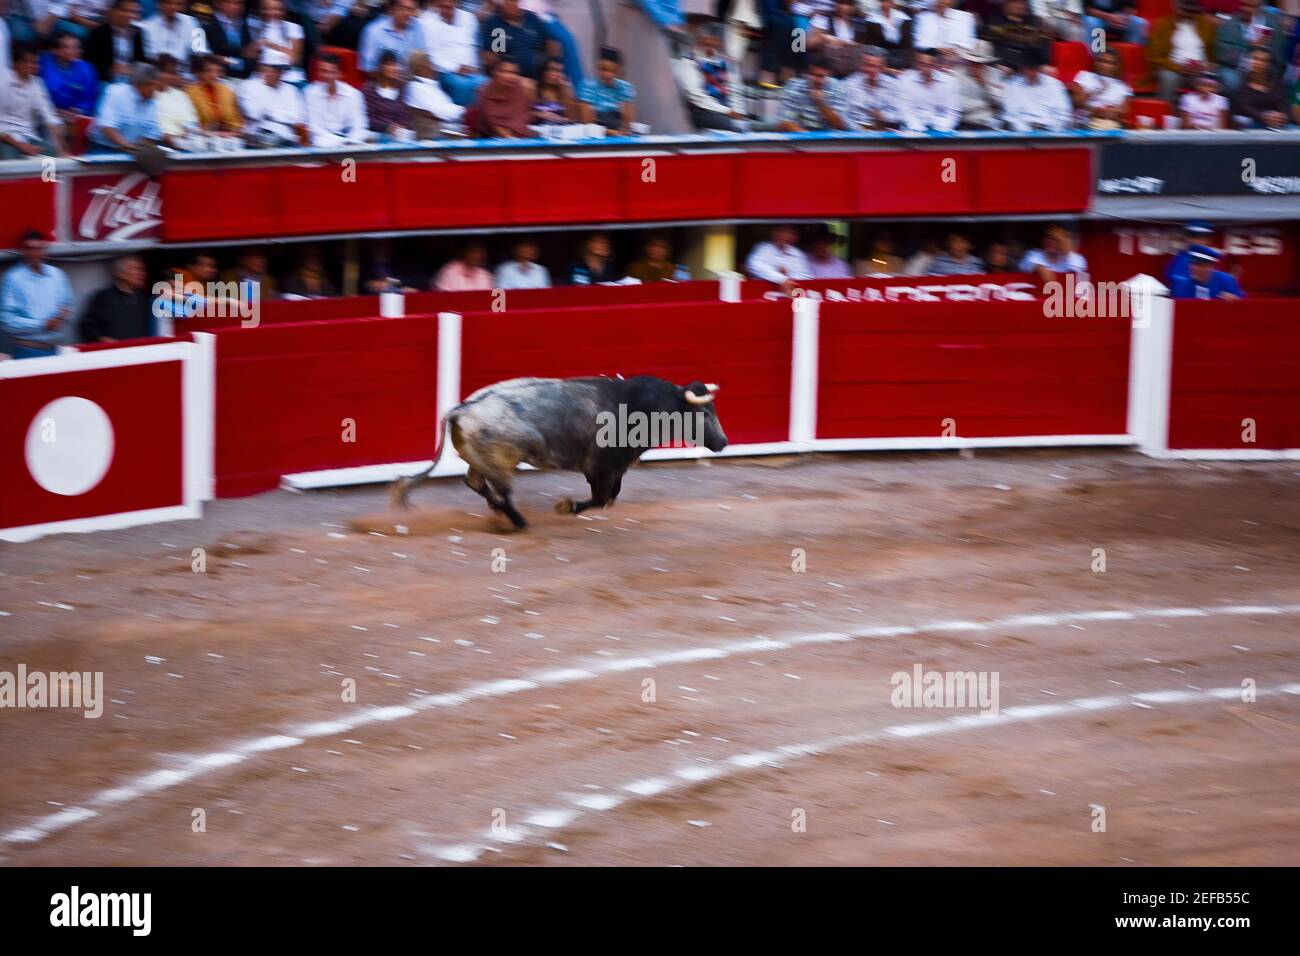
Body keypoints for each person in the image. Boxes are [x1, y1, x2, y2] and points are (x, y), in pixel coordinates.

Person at [0, 230, 74, 359]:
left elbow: (68, 303)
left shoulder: (57, 275)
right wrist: (42, 324)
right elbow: (7, 320)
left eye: (38, 248)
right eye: (29, 249)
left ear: (44, 250)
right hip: (27, 350)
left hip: (55, 349)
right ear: (22, 251)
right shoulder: (13, 278)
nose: (33, 253)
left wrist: (63, 316)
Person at [674, 22, 747, 132]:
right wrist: (727, 111)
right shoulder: (687, 61)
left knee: (747, 127)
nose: (710, 47)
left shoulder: (727, 63)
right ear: (699, 41)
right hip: (701, 111)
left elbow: (735, 90)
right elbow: (695, 95)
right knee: (734, 129)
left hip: (726, 111)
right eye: (706, 42)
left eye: (715, 43)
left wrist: (738, 112)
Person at [0, 45, 67, 157]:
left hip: (27, 136)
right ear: (15, 64)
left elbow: (50, 117)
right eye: (27, 62)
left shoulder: (37, 83)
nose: (33, 66)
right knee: (11, 160)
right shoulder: (2, 81)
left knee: (56, 156)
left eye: (35, 62)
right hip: (4, 138)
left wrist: (62, 150)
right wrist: (20, 145)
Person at [1148, 0, 1218, 104]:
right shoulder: (1164, 24)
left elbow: (1213, 55)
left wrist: (1207, 65)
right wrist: (1180, 67)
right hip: (1171, 69)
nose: (1187, 14)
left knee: (1213, 82)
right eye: (1184, 10)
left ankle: (1206, 116)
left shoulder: (1207, 25)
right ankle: (1163, 113)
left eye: (1191, 11)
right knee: (1169, 78)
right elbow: (1154, 57)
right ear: (1175, 7)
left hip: (1199, 71)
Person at [420, 0, 485, 106]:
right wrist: (455, 68)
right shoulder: (427, 21)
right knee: (463, 86)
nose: (444, 10)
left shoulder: (469, 18)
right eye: (442, 6)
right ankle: (462, 116)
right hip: (445, 72)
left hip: (472, 72)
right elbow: (430, 55)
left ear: (456, 4)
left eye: (449, 7)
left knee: (486, 83)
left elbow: (475, 46)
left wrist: (475, 67)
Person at [79, 254, 153, 342]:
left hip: (142, 351)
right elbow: (88, 327)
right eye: (135, 269)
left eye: (142, 269)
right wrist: (104, 339)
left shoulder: (145, 299)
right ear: (119, 273)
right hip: (114, 353)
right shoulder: (104, 297)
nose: (142, 273)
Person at [1001, 47, 1072, 131]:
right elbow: (1010, 114)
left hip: (1050, 132)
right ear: (1023, 69)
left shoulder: (1055, 85)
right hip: (1021, 133)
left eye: (1034, 68)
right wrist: (1025, 129)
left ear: (1040, 68)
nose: (1032, 72)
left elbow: (1064, 112)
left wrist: (1052, 129)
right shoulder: (1013, 86)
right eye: (1029, 69)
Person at [306, 53, 369, 146]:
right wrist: (341, 141)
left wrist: (351, 140)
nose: (326, 76)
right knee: (320, 140)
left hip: (349, 138)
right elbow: (315, 127)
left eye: (331, 72)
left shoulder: (354, 94)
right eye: (322, 71)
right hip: (323, 139)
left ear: (340, 74)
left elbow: (359, 124)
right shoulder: (310, 92)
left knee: (362, 134)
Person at [239, 60, 307, 146]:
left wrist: (270, 113)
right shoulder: (249, 86)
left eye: (281, 70)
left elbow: (298, 118)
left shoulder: (291, 90)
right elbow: (253, 113)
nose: (279, 74)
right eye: (275, 70)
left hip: (286, 138)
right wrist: (266, 87)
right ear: (264, 68)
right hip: (256, 136)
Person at [479, 0, 549, 80]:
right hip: (510, 77)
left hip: (537, 75)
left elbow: (545, 42)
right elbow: (494, 58)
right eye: (508, 2)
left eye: (515, 2)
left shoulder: (531, 18)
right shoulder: (498, 25)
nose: (512, 5)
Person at [894, 48, 959, 132]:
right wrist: (918, 129)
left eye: (928, 65)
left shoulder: (950, 82)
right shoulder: (905, 79)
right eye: (921, 64)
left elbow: (952, 112)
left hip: (941, 129)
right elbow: (905, 110)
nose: (924, 69)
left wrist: (943, 129)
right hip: (912, 130)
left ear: (936, 65)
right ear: (916, 63)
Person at [776, 55, 847, 131]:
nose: (819, 81)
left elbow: (840, 126)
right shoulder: (793, 86)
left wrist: (821, 103)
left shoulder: (836, 87)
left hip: (828, 138)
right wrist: (809, 138)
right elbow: (784, 123)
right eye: (815, 75)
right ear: (807, 74)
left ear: (828, 75)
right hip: (799, 137)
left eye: (822, 76)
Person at [140, 0, 207, 77]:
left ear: (183, 6)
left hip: (187, 75)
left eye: (178, 4)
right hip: (158, 75)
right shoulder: (146, 26)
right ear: (159, 4)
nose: (173, 7)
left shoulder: (193, 22)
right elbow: (150, 57)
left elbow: (201, 51)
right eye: (168, 3)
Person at [85, 0, 146, 84]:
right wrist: (110, 70)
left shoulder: (137, 32)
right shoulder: (99, 32)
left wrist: (131, 70)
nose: (129, 15)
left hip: (132, 80)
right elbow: (89, 63)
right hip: (106, 80)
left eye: (133, 12)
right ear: (114, 11)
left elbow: (141, 60)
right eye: (125, 10)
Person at [470, 58, 533, 138]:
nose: (511, 76)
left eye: (514, 73)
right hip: (495, 141)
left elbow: (527, 116)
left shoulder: (523, 88)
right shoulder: (484, 93)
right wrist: (517, 143)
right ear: (494, 73)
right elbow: (496, 126)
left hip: (525, 138)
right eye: (505, 72)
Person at [1070, 48, 1131, 130]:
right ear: (1096, 63)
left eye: (1111, 63)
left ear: (1117, 66)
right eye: (1103, 61)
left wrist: (1112, 112)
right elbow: (1076, 102)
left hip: (1110, 122)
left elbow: (1124, 111)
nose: (1106, 65)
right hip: (1085, 122)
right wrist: (1096, 91)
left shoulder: (1122, 86)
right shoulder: (1085, 76)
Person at [578, 47, 636, 134]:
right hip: (595, 132)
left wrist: (622, 131)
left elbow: (627, 123)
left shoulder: (625, 87)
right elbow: (587, 122)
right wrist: (611, 132)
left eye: (612, 71)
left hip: (618, 130)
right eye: (602, 69)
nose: (606, 74)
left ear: (618, 71)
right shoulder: (588, 86)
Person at [41, 32, 99, 117]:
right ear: (55, 50)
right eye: (67, 47)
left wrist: (78, 110)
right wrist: (56, 111)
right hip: (48, 113)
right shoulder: (44, 64)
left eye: (76, 47)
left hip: (75, 116)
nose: (73, 51)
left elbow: (89, 99)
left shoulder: (87, 68)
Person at [406, 51, 464, 136]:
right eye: (427, 64)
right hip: (435, 131)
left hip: (448, 125)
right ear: (419, 68)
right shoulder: (416, 87)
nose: (432, 67)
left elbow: (447, 107)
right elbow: (440, 112)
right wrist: (465, 112)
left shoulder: (431, 85)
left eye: (430, 63)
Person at [359, 0, 424, 75]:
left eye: (411, 10)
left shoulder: (417, 26)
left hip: (412, 79)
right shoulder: (373, 31)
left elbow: (422, 57)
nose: (407, 13)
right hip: (383, 82)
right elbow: (368, 68)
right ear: (392, 9)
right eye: (402, 8)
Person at [838, 46, 895, 129]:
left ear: (883, 68)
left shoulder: (892, 85)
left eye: (875, 66)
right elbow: (843, 115)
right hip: (855, 134)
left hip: (885, 132)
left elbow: (900, 114)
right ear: (861, 65)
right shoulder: (848, 85)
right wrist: (860, 130)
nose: (871, 70)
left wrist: (883, 116)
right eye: (867, 65)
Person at [1231, 48, 1288, 130]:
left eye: (1263, 60)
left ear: (1269, 65)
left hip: (1277, 123)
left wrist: (1282, 117)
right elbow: (1246, 108)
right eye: (1255, 59)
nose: (1258, 63)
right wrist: (1264, 116)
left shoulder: (1277, 83)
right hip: (1252, 123)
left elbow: (1284, 105)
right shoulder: (1241, 85)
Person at [187, 54, 244, 135]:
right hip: (202, 138)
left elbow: (238, 122)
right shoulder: (189, 93)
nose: (214, 75)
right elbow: (191, 125)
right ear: (199, 72)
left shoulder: (227, 91)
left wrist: (233, 129)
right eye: (208, 71)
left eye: (217, 71)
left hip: (230, 137)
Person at [954, 39, 1004, 129]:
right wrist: (985, 105)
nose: (975, 65)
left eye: (979, 63)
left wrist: (983, 82)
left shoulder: (995, 74)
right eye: (972, 62)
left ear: (985, 63)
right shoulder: (958, 74)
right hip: (964, 123)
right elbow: (959, 105)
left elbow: (1001, 102)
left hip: (987, 124)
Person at [252, 0, 305, 84]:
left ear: (283, 11)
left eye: (276, 9)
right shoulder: (255, 26)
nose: (270, 12)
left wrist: (272, 45)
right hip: (263, 76)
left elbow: (295, 59)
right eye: (266, 8)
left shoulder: (294, 27)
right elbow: (248, 55)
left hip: (289, 76)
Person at [745, 225, 812, 289]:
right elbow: (754, 265)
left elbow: (806, 277)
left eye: (789, 233)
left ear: (795, 237)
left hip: (793, 294)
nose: (784, 235)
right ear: (774, 233)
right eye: (781, 231)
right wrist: (781, 279)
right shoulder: (762, 249)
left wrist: (788, 277)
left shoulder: (798, 254)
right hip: (762, 292)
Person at [1169, 245, 1244, 300]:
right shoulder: (1179, 286)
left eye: (1200, 265)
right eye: (1192, 263)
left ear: (1212, 267)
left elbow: (1242, 305)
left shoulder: (1227, 281)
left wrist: (1234, 300)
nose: (1194, 268)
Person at [205, 0, 255, 80]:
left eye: (240, 3)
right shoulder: (205, 22)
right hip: (217, 78)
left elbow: (251, 63)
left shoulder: (243, 25)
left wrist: (226, 60)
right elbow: (201, 56)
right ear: (218, 3)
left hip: (243, 78)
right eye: (230, 2)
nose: (238, 7)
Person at [154, 53, 200, 140]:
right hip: (159, 142)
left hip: (186, 141)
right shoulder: (149, 95)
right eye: (169, 72)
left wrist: (186, 136)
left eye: (175, 73)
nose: (173, 77)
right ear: (157, 73)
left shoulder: (181, 95)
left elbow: (191, 123)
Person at [1020, 225, 1088, 283]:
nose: (1050, 242)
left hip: (1064, 296)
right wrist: (1039, 267)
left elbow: (1078, 272)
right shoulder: (1034, 254)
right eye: (1048, 238)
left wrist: (1066, 252)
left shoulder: (1076, 259)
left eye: (1055, 239)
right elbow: (1025, 265)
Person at [1165, 219, 1215, 284]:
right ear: (1188, 239)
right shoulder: (1183, 259)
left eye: (1204, 238)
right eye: (1197, 238)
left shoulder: (1210, 257)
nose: (1201, 242)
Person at [532, 57, 576, 126]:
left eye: (560, 71)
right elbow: (523, 114)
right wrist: (539, 114)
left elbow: (572, 119)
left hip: (560, 130)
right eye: (552, 70)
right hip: (536, 129)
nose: (556, 75)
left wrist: (565, 90)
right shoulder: (533, 88)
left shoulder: (565, 90)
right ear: (543, 71)